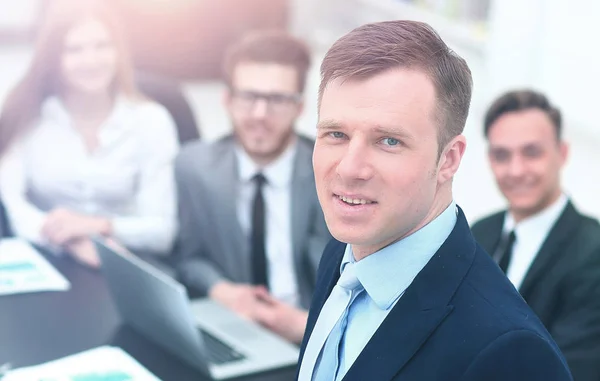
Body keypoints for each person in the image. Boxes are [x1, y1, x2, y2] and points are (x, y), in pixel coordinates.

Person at [297, 20, 572, 381]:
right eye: (336, 133)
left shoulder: (510, 351)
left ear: (449, 159)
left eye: (389, 141)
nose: (350, 169)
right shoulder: (343, 250)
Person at [174, 31, 331, 343]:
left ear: (299, 107)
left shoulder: (332, 172)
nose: (260, 114)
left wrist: (309, 326)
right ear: (227, 100)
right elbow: (187, 257)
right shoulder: (194, 166)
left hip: (313, 335)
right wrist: (222, 290)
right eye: (248, 97)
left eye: (277, 99)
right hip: (235, 329)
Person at [0, 0, 179, 269]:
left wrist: (96, 227)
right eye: (74, 49)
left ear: (119, 51)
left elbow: (163, 230)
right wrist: (69, 239)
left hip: (132, 260)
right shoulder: (26, 114)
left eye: (102, 46)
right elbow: (13, 204)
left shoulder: (151, 121)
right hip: (51, 258)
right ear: (54, 57)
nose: (91, 61)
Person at [471, 89, 600, 381]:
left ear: (562, 153)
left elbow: (572, 370)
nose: (516, 170)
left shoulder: (593, 251)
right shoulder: (479, 232)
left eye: (531, 152)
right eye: (502, 155)